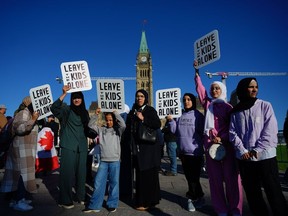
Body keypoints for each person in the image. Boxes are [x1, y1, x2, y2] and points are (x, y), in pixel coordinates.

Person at [229, 77, 288, 216]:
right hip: (245, 158)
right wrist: (243, 150)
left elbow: (270, 129)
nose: (254, 89)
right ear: (243, 89)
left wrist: (257, 149)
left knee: (273, 191)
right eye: (250, 87)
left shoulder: (265, 105)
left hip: (265, 156)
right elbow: (232, 133)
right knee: (252, 193)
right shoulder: (235, 112)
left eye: (256, 86)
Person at [194, 61, 243, 216]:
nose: (214, 90)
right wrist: (197, 72)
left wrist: (222, 138)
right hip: (210, 146)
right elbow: (200, 90)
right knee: (214, 180)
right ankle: (220, 209)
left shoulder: (229, 107)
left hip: (227, 146)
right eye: (212, 88)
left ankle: (235, 209)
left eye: (217, 88)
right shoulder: (208, 104)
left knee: (232, 179)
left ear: (222, 90)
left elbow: (234, 128)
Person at [51, 85, 90, 209]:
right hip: (68, 145)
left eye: (79, 98)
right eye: (74, 98)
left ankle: (81, 196)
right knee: (66, 174)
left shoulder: (85, 113)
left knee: (82, 173)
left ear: (82, 99)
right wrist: (64, 93)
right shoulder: (66, 110)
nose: (76, 100)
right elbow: (53, 108)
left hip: (82, 146)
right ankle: (65, 200)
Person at [167, 93, 205, 212]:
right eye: (184, 100)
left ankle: (191, 198)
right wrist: (171, 120)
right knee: (190, 178)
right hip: (183, 152)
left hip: (195, 152)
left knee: (193, 177)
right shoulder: (180, 115)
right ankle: (200, 197)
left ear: (193, 101)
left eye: (189, 99)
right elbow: (174, 131)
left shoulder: (198, 115)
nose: (186, 101)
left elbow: (202, 132)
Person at [124, 89, 161, 211]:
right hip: (137, 148)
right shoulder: (132, 111)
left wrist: (143, 119)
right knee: (140, 174)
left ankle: (146, 202)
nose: (139, 98)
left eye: (141, 96)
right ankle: (143, 199)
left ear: (145, 98)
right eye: (137, 96)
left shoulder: (150, 110)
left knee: (147, 174)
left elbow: (157, 124)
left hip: (149, 148)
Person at [82, 110, 126, 213]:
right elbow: (90, 125)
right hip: (104, 161)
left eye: (111, 120)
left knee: (113, 183)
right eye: (107, 120)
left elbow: (123, 124)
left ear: (114, 120)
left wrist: (116, 114)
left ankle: (112, 204)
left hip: (115, 161)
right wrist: (96, 115)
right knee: (98, 182)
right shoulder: (101, 130)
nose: (109, 122)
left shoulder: (118, 130)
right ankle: (94, 205)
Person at [0, 96, 39, 211]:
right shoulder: (23, 113)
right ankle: (19, 200)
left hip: (25, 149)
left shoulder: (29, 113)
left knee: (19, 175)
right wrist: (33, 119)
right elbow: (20, 128)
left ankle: (16, 199)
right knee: (21, 176)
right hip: (21, 150)